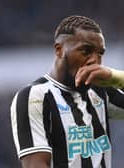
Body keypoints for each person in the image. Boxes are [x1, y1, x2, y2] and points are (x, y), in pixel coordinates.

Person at [10, 15, 124, 168]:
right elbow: (35, 164)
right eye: (86, 51)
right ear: (59, 50)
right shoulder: (34, 96)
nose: (94, 61)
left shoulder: (100, 90)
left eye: (100, 54)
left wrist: (114, 77)